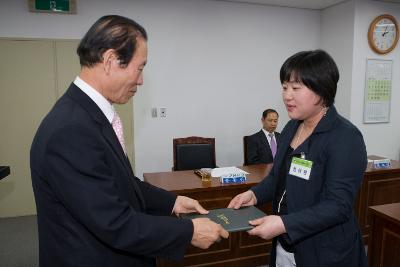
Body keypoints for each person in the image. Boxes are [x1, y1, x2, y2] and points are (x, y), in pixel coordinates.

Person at [30, 15, 228, 267]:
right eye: (140, 67)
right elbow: (113, 222)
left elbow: (119, 183)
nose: (141, 80)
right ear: (111, 61)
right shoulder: (71, 130)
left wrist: (173, 201)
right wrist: (189, 232)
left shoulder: (89, 115)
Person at [229, 50, 367, 267]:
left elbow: (338, 206)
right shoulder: (292, 126)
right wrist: (253, 194)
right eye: (284, 87)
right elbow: (277, 177)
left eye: (296, 88)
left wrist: (284, 223)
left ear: (322, 89)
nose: (287, 95)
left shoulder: (345, 137)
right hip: (286, 244)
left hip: (325, 252)